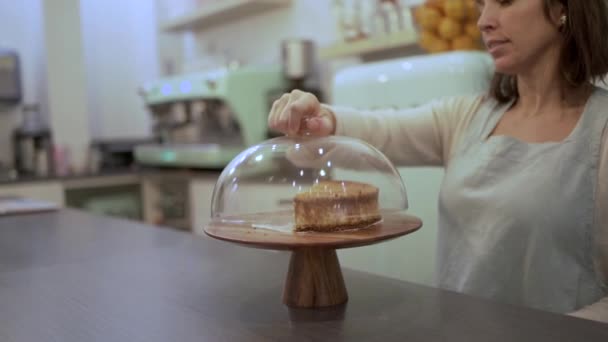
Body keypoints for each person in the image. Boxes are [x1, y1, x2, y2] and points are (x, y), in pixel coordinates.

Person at [268, 0, 608, 323]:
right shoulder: (466, 116)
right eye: (480, 5)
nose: (483, 21)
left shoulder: (601, 129)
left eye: (505, 1)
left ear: (562, 9)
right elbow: (379, 131)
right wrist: (318, 117)